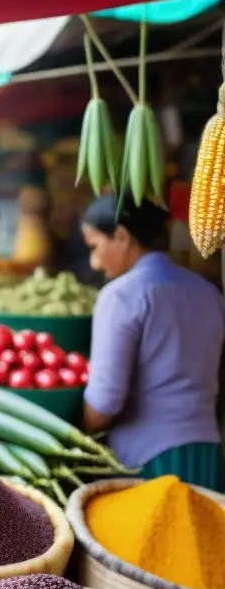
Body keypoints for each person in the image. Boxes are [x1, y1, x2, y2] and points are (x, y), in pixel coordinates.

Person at [80, 195, 225, 488]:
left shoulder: (121, 295)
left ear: (121, 236)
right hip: (207, 452)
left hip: (150, 461)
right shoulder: (209, 292)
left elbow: (104, 402)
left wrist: (78, 427)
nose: (94, 262)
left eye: (95, 246)